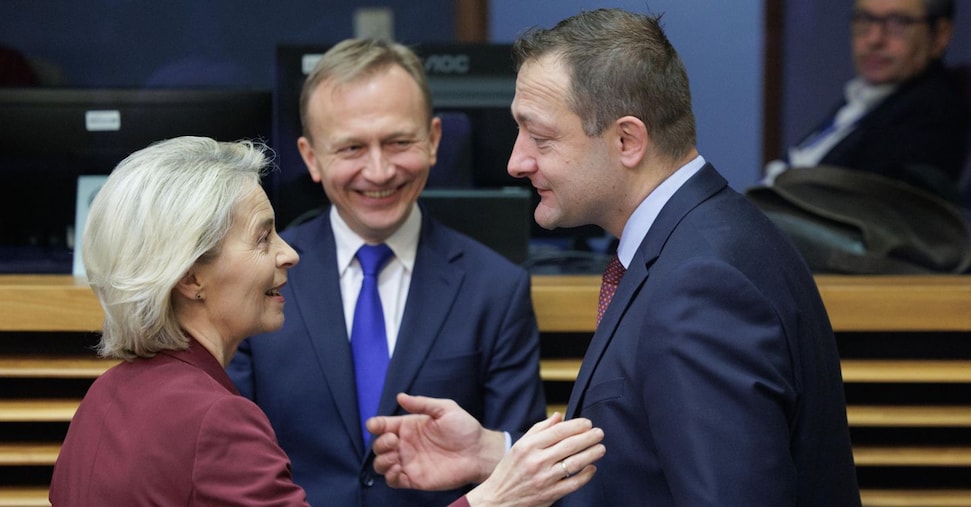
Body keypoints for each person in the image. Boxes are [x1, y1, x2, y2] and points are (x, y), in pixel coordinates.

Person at [367, 8, 862, 505]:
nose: (517, 162)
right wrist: (497, 455)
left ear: (627, 140)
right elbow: (645, 468)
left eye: (540, 137)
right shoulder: (700, 239)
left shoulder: (701, 285)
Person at [48, 136, 605, 506]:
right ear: (191, 276)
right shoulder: (215, 421)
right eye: (263, 238)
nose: (289, 254)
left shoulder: (106, 396)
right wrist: (493, 499)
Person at [227, 39, 548, 507]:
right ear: (311, 157)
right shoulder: (257, 279)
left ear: (433, 140)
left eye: (399, 142)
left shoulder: (496, 289)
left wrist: (491, 450)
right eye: (352, 147)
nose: (378, 171)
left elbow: (526, 474)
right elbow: (231, 457)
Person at [764, 0, 968, 201]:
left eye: (897, 22)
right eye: (865, 19)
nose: (874, 39)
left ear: (940, 35)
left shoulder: (931, 114)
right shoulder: (866, 96)